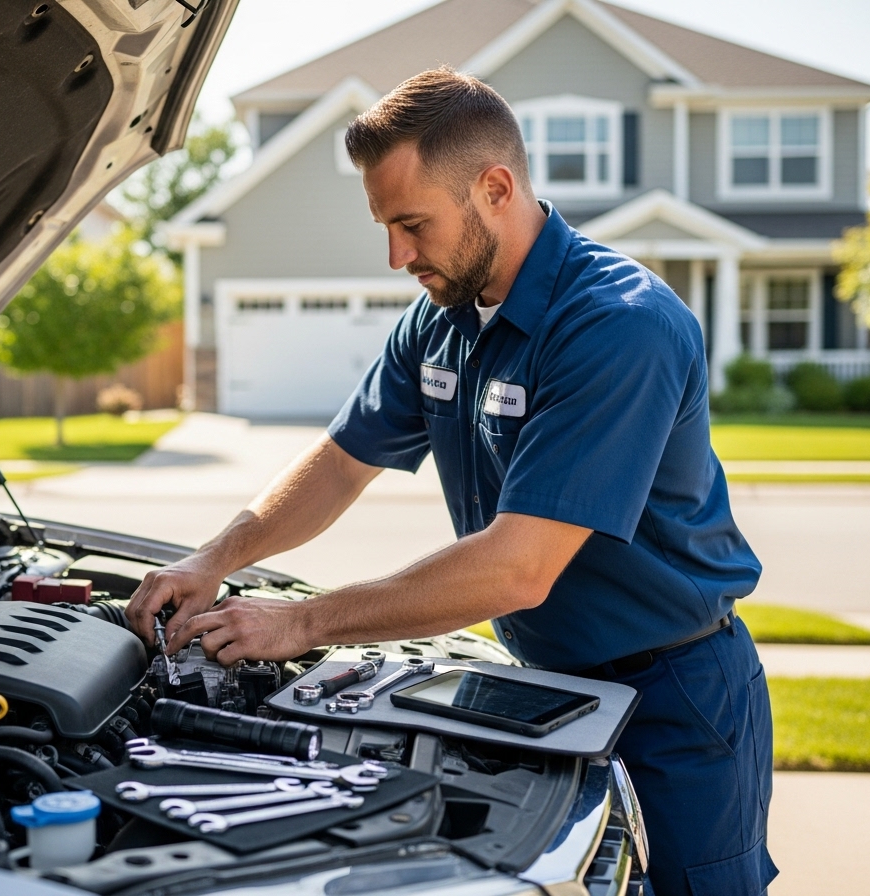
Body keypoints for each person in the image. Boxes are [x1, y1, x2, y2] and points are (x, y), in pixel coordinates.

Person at [126, 67, 777, 896]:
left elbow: (517, 568)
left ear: (495, 188)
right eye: (385, 227)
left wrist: (304, 623)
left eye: (412, 224)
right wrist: (211, 559)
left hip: (673, 695)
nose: (397, 257)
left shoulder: (619, 326)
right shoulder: (439, 319)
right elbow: (339, 464)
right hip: (539, 683)